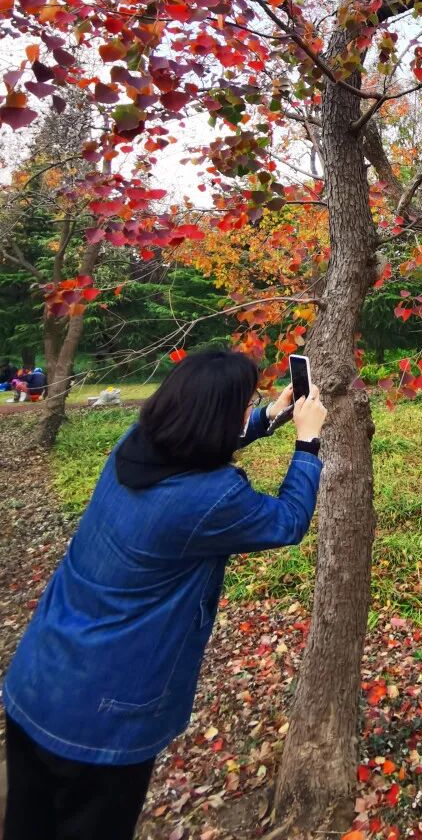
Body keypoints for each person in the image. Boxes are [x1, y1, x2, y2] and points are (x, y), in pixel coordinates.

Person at [2, 347, 327, 840]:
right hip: (102, 720)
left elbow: (200, 441)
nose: (249, 411)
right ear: (217, 418)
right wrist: (307, 443)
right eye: (245, 405)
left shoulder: (136, 445)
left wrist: (269, 417)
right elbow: (286, 521)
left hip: (38, 680)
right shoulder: (209, 498)